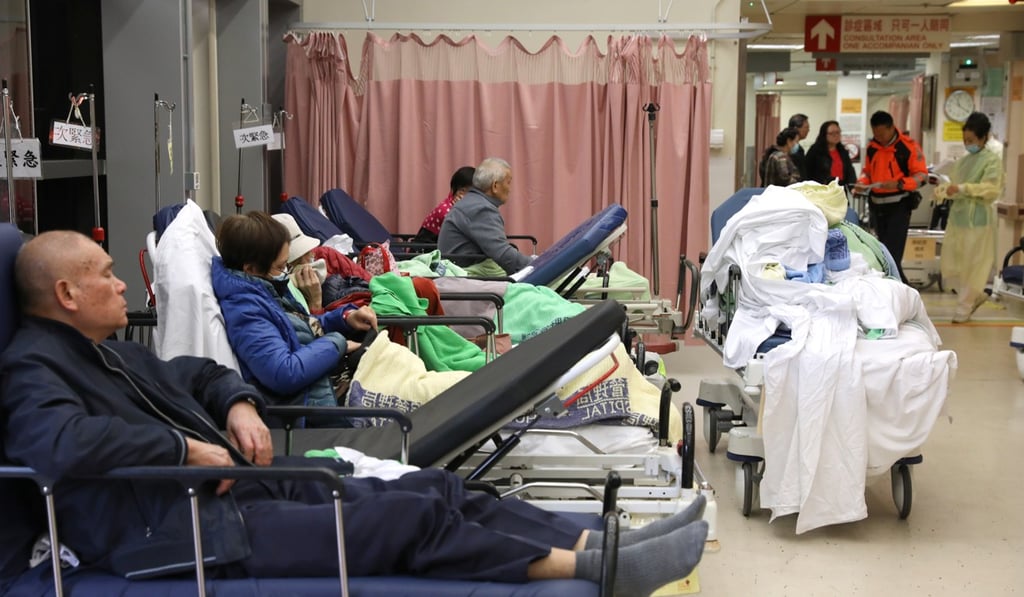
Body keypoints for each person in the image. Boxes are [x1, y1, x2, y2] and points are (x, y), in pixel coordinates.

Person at [0, 230, 708, 595]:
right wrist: (184, 451)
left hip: (234, 490)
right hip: (176, 530)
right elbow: (56, 443)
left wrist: (240, 402)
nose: (122, 283)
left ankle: (603, 545)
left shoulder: (105, 350)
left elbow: (199, 372)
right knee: (404, 516)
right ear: (66, 292)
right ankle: (589, 571)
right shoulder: (34, 367)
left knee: (435, 486)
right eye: (105, 274)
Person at [212, 212, 377, 410]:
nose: (285, 273)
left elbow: (300, 326)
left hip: (322, 390)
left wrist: (345, 318)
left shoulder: (264, 290)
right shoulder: (247, 312)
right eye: (281, 266)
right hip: (306, 414)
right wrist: (336, 343)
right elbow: (284, 373)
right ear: (251, 269)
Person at [934, 112, 1004, 323]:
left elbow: (991, 189)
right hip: (958, 219)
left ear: (984, 138)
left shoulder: (992, 161)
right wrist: (944, 191)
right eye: (965, 140)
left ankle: (964, 308)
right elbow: (953, 185)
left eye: (971, 141)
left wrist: (963, 188)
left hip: (979, 220)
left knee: (974, 266)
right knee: (953, 265)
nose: (968, 144)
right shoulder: (963, 162)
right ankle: (976, 296)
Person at [854, 110, 928, 284]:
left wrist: (900, 184)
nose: (878, 137)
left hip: (899, 205)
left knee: (892, 254)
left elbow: (921, 176)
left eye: (881, 134)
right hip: (877, 205)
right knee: (882, 251)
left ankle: (898, 287)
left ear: (891, 128)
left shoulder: (907, 146)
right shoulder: (873, 148)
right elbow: (868, 172)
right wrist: (862, 183)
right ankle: (898, 286)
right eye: (875, 134)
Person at [438, 157, 532, 276]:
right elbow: (503, 254)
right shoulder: (481, 209)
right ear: (495, 186)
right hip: (466, 278)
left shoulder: (473, 202)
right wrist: (536, 265)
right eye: (508, 183)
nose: (510, 189)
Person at [415, 166, 475, 243]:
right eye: (472, 192)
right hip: (425, 251)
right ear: (460, 192)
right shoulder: (446, 210)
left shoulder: (456, 206)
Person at [804, 120, 857, 186]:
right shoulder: (815, 151)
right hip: (822, 189)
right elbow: (807, 171)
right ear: (824, 135)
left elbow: (850, 170)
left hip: (841, 187)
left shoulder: (842, 151)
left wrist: (852, 186)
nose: (836, 136)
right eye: (832, 133)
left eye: (838, 132)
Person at [788, 113, 810, 179]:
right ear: (796, 128)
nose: (808, 130)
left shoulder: (799, 148)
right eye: (806, 127)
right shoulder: (791, 149)